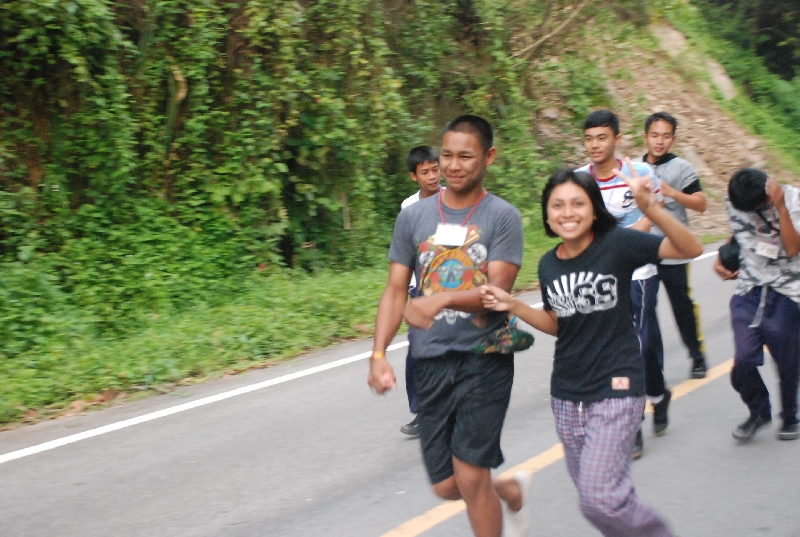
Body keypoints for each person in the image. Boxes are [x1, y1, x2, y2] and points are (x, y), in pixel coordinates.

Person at [481, 163, 701, 537]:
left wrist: (650, 208)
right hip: (567, 394)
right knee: (602, 499)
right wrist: (513, 304)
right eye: (558, 205)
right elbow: (558, 323)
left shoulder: (618, 243)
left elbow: (690, 247)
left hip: (617, 387)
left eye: (578, 203)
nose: (567, 213)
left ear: (594, 209)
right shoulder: (549, 264)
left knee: (599, 499)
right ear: (547, 214)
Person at [368, 115, 533, 537]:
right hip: (430, 358)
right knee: (446, 485)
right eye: (446, 155)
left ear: (488, 157)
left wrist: (441, 298)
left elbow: (497, 290)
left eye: (465, 156)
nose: (453, 166)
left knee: (471, 475)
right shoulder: (413, 217)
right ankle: (507, 489)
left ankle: (490, 497)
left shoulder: (502, 217)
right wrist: (378, 354)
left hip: (485, 355)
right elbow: (395, 290)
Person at [576, 109, 663, 459]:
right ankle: (634, 418)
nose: (595, 145)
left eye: (602, 137)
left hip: (637, 274)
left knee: (640, 349)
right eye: (589, 139)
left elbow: (651, 217)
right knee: (611, 353)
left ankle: (651, 403)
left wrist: (616, 249)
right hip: (598, 277)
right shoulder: (579, 179)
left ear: (617, 138)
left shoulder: (641, 174)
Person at [713, 167, 800, 441]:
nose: (750, 214)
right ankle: (759, 411)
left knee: (787, 361)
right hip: (749, 288)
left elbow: (793, 249)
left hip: (787, 290)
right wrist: (721, 257)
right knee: (743, 360)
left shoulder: (794, 201)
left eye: (756, 209)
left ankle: (790, 416)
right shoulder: (735, 201)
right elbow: (738, 232)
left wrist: (781, 208)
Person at [635, 112, 709, 386]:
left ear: (673, 139)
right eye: (655, 135)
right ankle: (653, 369)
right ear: (645, 137)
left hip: (674, 250)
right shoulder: (634, 169)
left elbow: (701, 204)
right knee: (645, 313)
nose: (659, 141)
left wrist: (671, 192)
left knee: (682, 307)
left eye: (666, 136)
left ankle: (697, 355)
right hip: (644, 251)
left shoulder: (682, 168)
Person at [399, 145, 442, 437]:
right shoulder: (409, 207)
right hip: (421, 289)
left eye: (435, 170)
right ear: (414, 176)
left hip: (453, 286)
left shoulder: (453, 198)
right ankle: (422, 412)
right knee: (417, 351)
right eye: (425, 172)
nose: (432, 176)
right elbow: (406, 251)